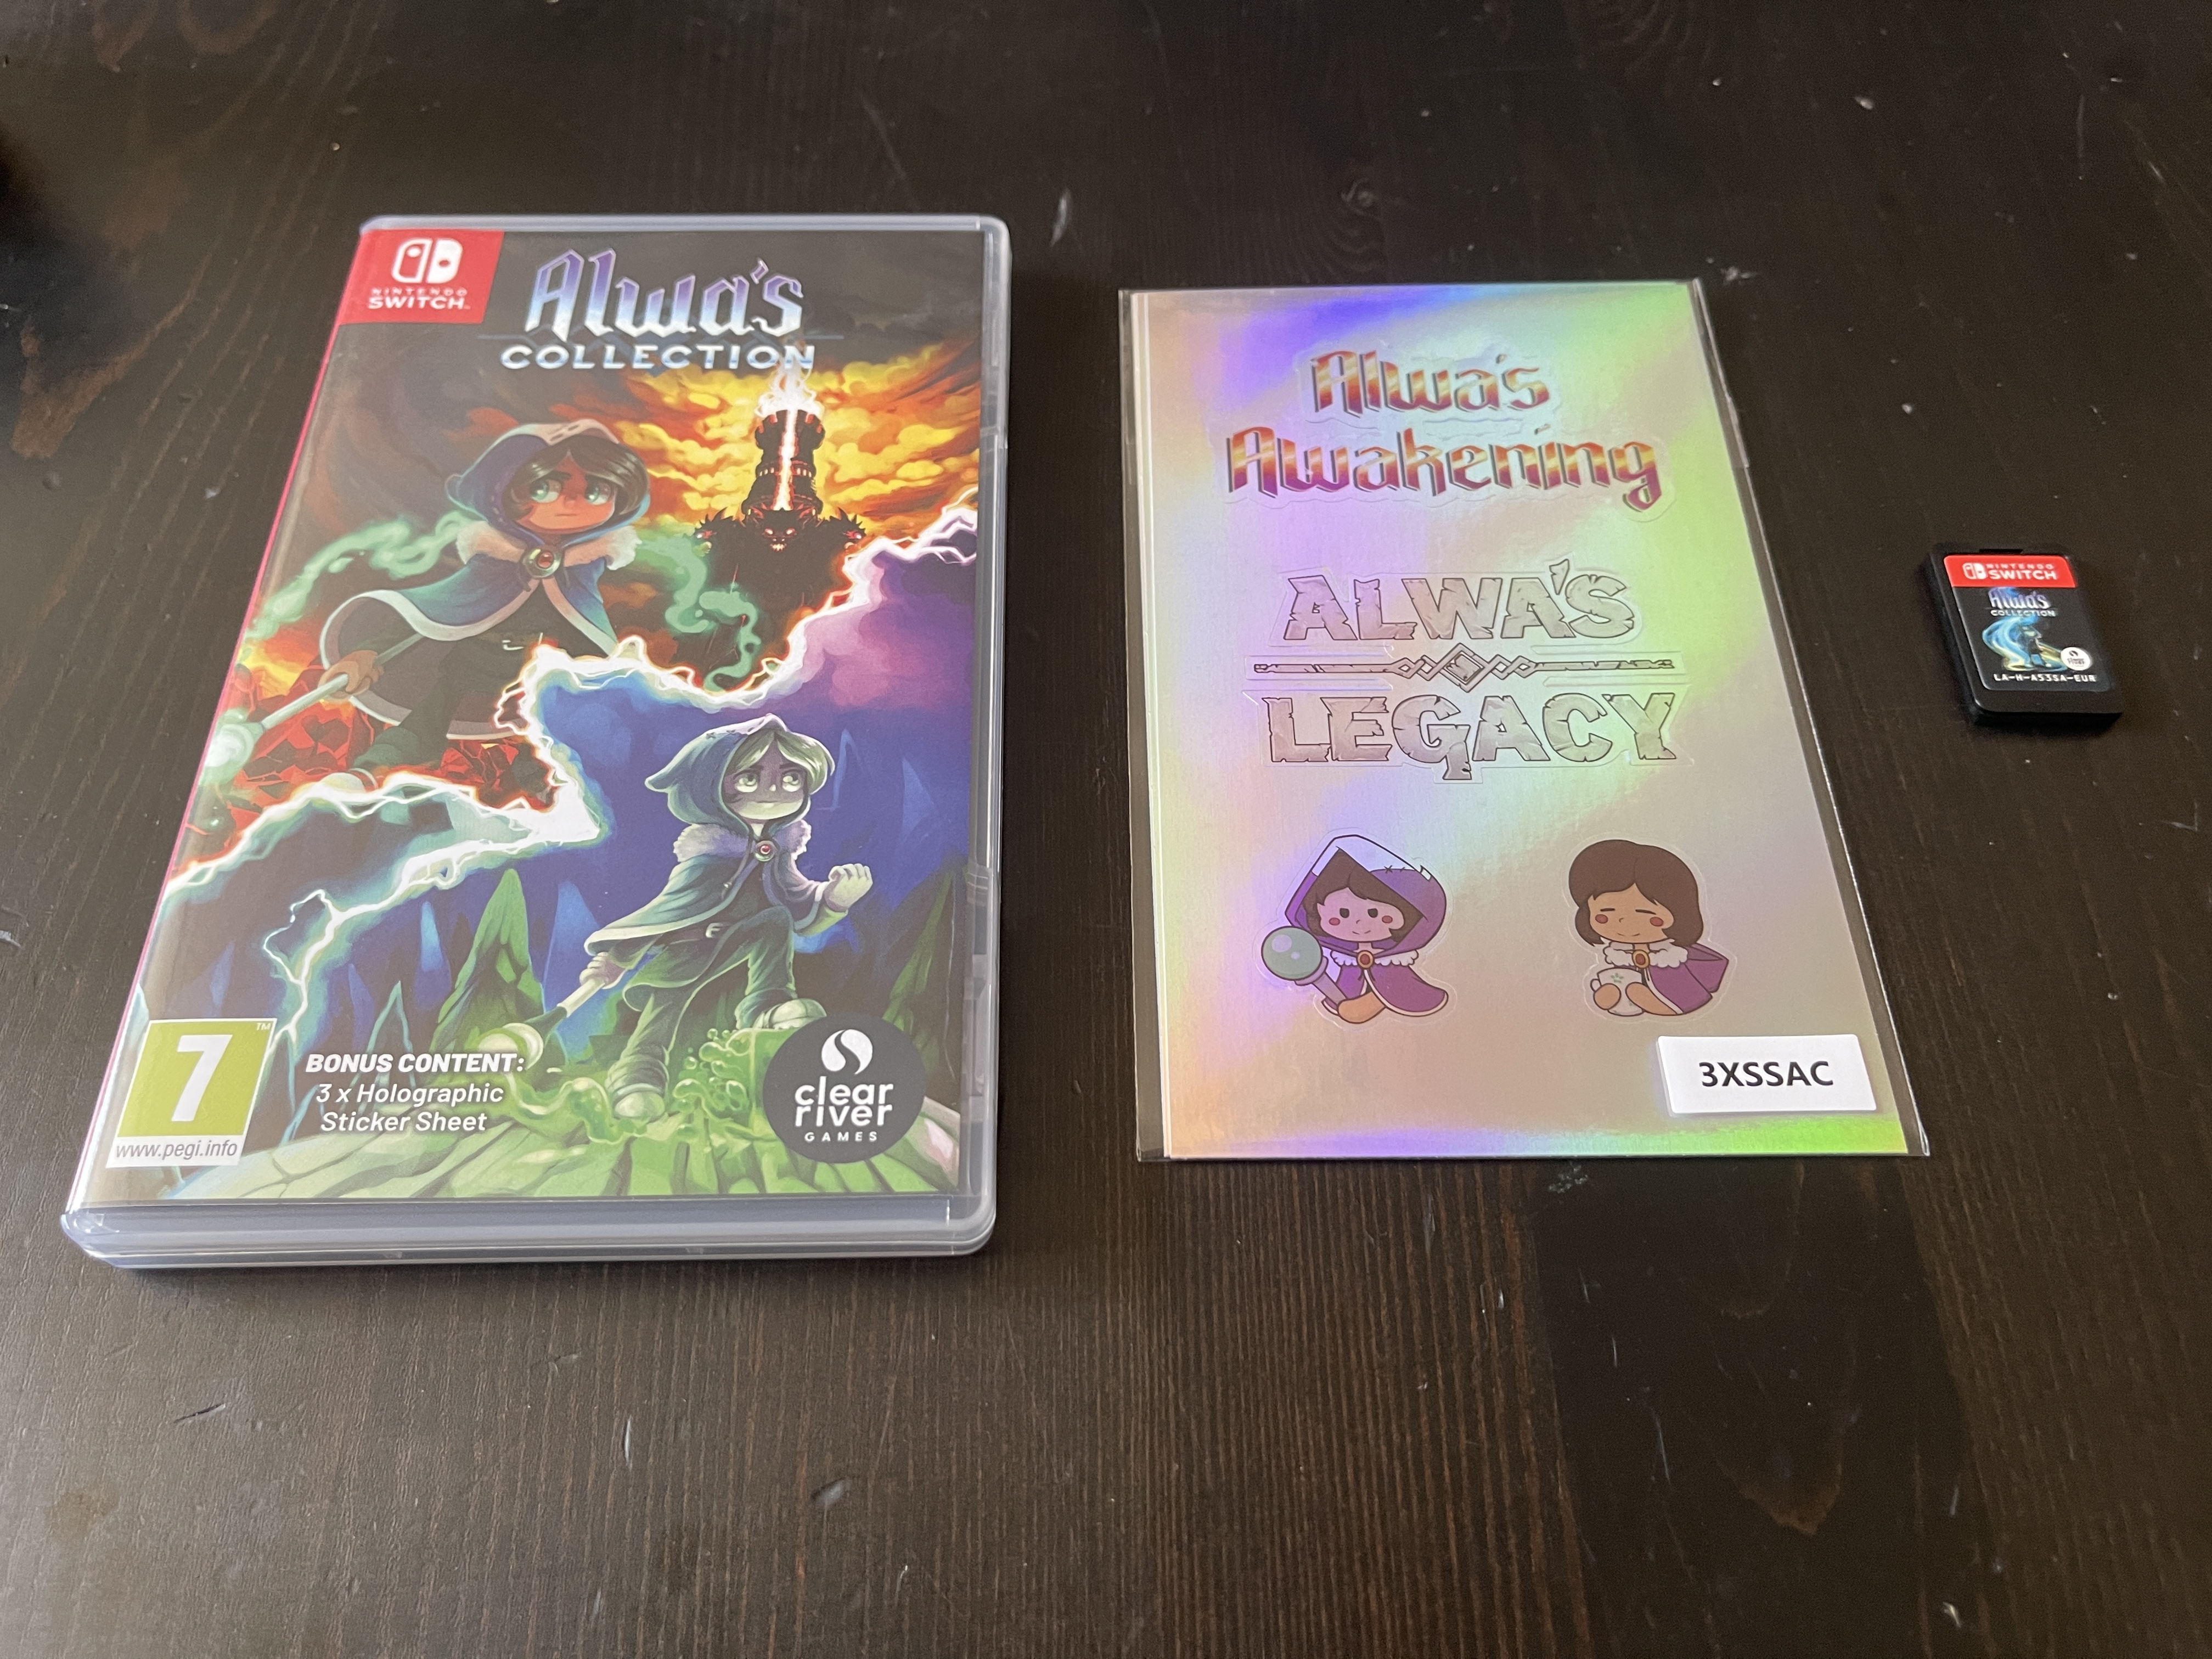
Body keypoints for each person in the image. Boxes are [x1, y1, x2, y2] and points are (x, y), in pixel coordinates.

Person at [571, 715, 872, 1120]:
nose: (774, 791)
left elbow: (798, 907)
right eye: (749, 778)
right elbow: (665, 911)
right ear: (713, 786)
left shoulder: (775, 852)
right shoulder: (709, 856)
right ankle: (636, 1078)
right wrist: (618, 957)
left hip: (743, 938)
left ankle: (768, 1006)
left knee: (775, 922)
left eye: (790, 778)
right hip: (690, 948)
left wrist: (834, 900)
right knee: (665, 1008)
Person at [319, 419, 651, 773]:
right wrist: (368, 653)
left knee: (550, 746)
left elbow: (583, 629)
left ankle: (541, 783)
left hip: (542, 676)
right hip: (473, 664)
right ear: (501, 491)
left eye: (597, 491)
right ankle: (373, 771)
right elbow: (435, 611)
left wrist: (600, 675)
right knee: (424, 723)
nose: (570, 503)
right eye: (544, 488)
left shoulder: (584, 567)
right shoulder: (496, 559)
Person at [1568, 839, 1727, 1016]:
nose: (1624, 922)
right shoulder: (1619, 953)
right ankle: (1616, 995)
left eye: (1646, 914)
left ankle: (1665, 1004)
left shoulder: (1672, 955)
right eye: (1606, 914)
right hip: (1619, 1011)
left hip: (1676, 987)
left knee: (1675, 982)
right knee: (1617, 982)